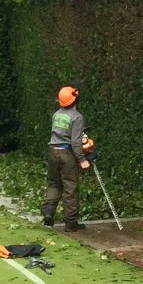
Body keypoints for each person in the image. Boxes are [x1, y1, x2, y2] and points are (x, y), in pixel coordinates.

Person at [41, 85, 90, 231]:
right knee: (70, 187)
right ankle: (70, 223)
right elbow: (75, 142)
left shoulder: (56, 114)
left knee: (54, 183)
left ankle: (49, 212)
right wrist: (82, 159)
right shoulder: (77, 117)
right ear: (75, 99)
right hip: (66, 153)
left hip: (52, 151)